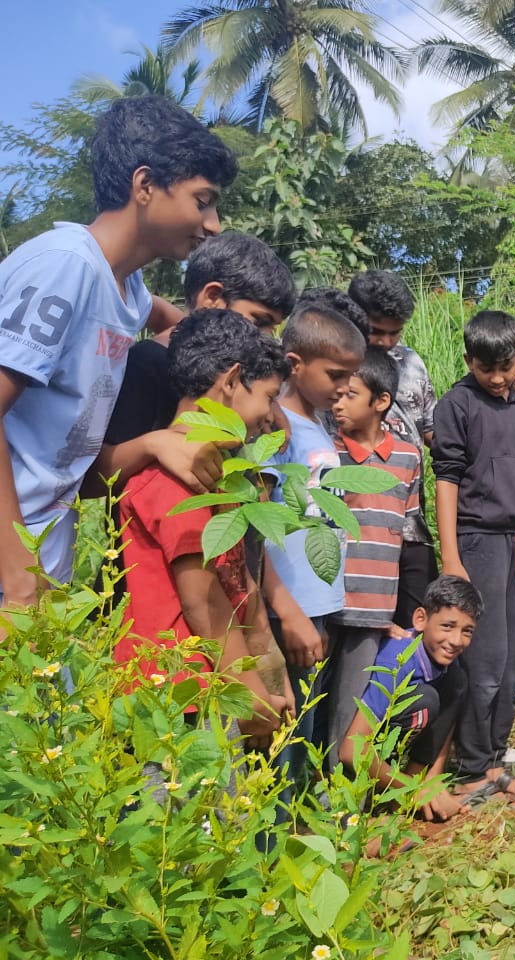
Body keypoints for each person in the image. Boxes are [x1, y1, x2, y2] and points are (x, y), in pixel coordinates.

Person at [0, 95, 237, 618]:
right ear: (145, 185)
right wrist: (18, 577)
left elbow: (178, 322)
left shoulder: (127, 289)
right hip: (12, 568)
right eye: (203, 200)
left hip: (45, 555)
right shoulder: (65, 268)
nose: (213, 223)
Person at [113, 308, 292, 749]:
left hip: (212, 682)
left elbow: (240, 585)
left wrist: (273, 676)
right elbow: (206, 605)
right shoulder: (176, 481)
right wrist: (248, 692)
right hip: (177, 695)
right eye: (269, 398)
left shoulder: (221, 476)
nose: (271, 416)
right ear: (231, 381)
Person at [431, 310, 515, 802]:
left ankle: (494, 758)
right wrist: (452, 557)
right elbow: (447, 480)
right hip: (477, 541)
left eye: (505, 366)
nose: (497, 378)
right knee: (486, 659)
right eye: (485, 369)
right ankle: (472, 766)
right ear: (468, 361)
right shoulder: (456, 406)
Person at [262, 304, 365, 792]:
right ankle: (275, 840)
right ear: (295, 364)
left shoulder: (317, 424)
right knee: (284, 735)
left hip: (319, 605)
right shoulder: (274, 426)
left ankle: (299, 824)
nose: (345, 386)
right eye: (335, 374)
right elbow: (257, 525)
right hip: (293, 610)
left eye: (351, 376)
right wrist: (288, 611)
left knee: (306, 729)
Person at [100, 231, 296, 455]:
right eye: (259, 321)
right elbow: (93, 476)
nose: (264, 338)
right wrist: (151, 446)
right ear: (212, 298)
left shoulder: (238, 377)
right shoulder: (145, 367)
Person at [324, 346, 423, 768]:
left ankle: (338, 801)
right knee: (313, 699)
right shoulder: (328, 454)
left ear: (381, 401)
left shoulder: (408, 458)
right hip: (327, 602)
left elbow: (408, 535)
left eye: (350, 395)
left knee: (350, 706)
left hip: (374, 607)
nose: (338, 403)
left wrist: (400, 613)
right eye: (337, 394)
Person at [337, 574, 480, 824]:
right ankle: (388, 795)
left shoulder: (448, 664)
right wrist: (411, 791)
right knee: (425, 700)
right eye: (447, 626)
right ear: (421, 619)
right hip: (362, 755)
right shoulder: (396, 663)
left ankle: (412, 787)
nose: (456, 640)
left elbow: (445, 727)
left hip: (393, 758)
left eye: (467, 631)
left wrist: (432, 785)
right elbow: (351, 751)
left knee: (457, 682)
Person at [348, 270, 439, 627]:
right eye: (376, 330)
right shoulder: (339, 365)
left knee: (416, 623)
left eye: (394, 332)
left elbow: (432, 429)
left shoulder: (412, 363)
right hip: (358, 524)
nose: (386, 341)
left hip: (410, 520)